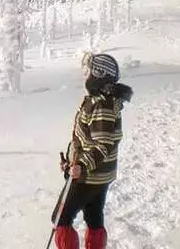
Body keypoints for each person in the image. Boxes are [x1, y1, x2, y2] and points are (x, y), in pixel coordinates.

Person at [52, 52, 133, 249]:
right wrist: (71, 160)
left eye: (88, 70)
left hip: (90, 176)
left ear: (98, 75)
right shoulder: (99, 100)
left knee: (60, 218)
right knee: (93, 217)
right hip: (98, 175)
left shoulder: (101, 104)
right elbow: (85, 138)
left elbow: (103, 144)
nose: (84, 73)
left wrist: (81, 165)